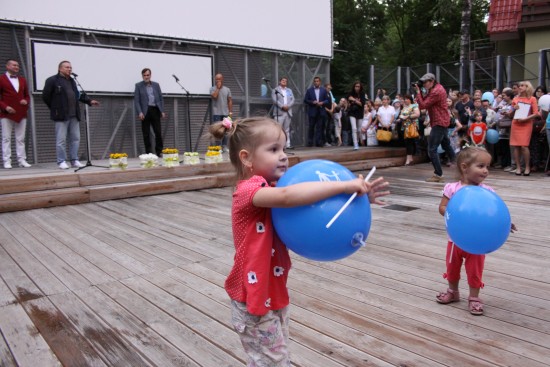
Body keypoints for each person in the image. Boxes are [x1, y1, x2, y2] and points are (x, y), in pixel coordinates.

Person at [209, 116, 389, 366]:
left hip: (272, 290)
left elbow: (311, 207)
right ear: (246, 158)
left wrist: (354, 202)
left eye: (284, 148)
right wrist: (343, 186)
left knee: (271, 358)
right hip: (252, 298)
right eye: (273, 149)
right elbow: (287, 197)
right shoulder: (248, 192)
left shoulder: (271, 187)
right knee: (274, 360)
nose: (283, 155)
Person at [436, 147, 516, 315]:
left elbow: (494, 213)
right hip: (455, 240)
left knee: (474, 272)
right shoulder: (452, 188)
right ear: (465, 167)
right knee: (452, 269)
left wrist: (505, 223)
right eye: (481, 166)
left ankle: (474, 298)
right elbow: (442, 207)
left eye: (487, 166)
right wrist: (454, 212)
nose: (486, 171)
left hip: (478, 243)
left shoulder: (487, 192)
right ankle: (453, 292)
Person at [42, 60, 99, 169]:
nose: (69, 69)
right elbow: (46, 96)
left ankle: (74, 160)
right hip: (61, 115)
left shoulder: (72, 81)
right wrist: (55, 108)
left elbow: (77, 95)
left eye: (70, 67)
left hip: (74, 114)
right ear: (60, 68)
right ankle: (61, 161)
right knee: (61, 139)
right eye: (67, 67)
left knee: (75, 138)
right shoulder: (52, 80)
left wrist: (89, 101)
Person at [414, 73, 455, 182]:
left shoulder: (436, 91)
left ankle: (438, 174)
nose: (423, 84)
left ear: (432, 81)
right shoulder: (435, 88)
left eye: (425, 82)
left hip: (439, 122)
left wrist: (418, 92)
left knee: (432, 149)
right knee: (446, 145)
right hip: (440, 120)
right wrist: (421, 92)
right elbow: (425, 101)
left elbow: (423, 105)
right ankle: (459, 164)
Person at [0, 59, 31, 169]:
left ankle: (22, 160)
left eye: (17, 65)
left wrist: (26, 101)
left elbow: (27, 95)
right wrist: (6, 107)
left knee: (20, 138)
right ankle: (6, 161)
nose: (16, 67)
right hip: (6, 113)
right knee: (6, 138)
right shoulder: (1, 79)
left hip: (21, 113)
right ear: (7, 66)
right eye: (14, 65)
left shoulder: (22, 80)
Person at [134, 68, 166, 157]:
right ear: (142, 76)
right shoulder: (138, 85)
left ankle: (159, 151)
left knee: (158, 132)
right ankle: (149, 153)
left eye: (148, 75)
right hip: (145, 111)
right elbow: (136, 101)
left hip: (155, 110)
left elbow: (160, 98)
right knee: (146, 133)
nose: (146, 77)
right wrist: (140, 112)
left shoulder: (156, 85)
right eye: (144, 75)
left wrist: (162, 110)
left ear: (150, 75)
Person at [510, 81, 539, 176]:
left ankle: (527, 167)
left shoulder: (532, 99)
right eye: (520, 86)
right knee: (516, 146)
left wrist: (526, 118)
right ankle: (518, 167)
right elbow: (510, 113)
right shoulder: (515, 98)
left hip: (526, 123)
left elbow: (535, 113)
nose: (520, 87)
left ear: (527, 87)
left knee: (524, 146)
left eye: (522, 85)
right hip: (516, 123)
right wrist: (514, 108)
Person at [304, 76, 330, 147]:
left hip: (321, 110)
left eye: (317, 81)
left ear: (320, 82)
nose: (316, 82)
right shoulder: (309, 90)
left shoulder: (323, 90)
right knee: (311, 127)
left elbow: (327, 100)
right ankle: (310, 142)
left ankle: (318, 142)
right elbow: (305, 100)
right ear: (313, 82)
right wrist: (313, 102)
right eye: (315, 81)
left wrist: (322, 102)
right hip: (312, 110)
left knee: (319, 127)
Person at [210, 73, 233, 151]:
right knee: (218, 130)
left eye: (219, 79)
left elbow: (229, 100)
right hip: (216, 113)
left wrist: (230, 112)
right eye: (216, 79)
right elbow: (215, 97)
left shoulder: (227, 89)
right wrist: (218, 88)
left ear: (222, 79)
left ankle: (224, 146)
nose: (218, 81)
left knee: (226, 130)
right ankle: (218, 147)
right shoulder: (212, 89)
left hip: (225, 113)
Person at [271, 77, 295, 149]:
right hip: (279, 112)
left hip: (288, 111)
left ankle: (287, 145)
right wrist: (282, 106)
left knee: (286, 129)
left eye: (285, 81)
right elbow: (274, 100)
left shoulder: (289, 90)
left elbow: (293, 99)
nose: (284, 82)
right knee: (278, 129)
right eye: (283, 80)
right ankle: (278, 145)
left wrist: (288, 106)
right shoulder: (275, 90)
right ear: (279, 81)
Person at [399, 94, 420, 165]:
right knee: (407, 142)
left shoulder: (414, 106)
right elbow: (402, 116)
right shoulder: (404, 107)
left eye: (407, 99)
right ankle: (410, 157)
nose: (406, 100)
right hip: (404, 126)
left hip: (411, 126)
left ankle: (409, 158)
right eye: (405, 99)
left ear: (410, 99)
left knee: (410, 141)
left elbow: (417, 114)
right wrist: (399, 119)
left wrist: (407, 116)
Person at [347, 81, 366, 150]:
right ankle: (355, 143)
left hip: (360, 112)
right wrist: (357, 101)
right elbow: (348, 99)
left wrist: (354, 100)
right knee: (354, 128)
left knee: (358, 130)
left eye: (358, 86)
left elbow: (362, 104)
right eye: (356, 86)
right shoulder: (350, 93)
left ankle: (357, 141)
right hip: (352, 112)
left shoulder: (362, 94)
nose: (357, 88)